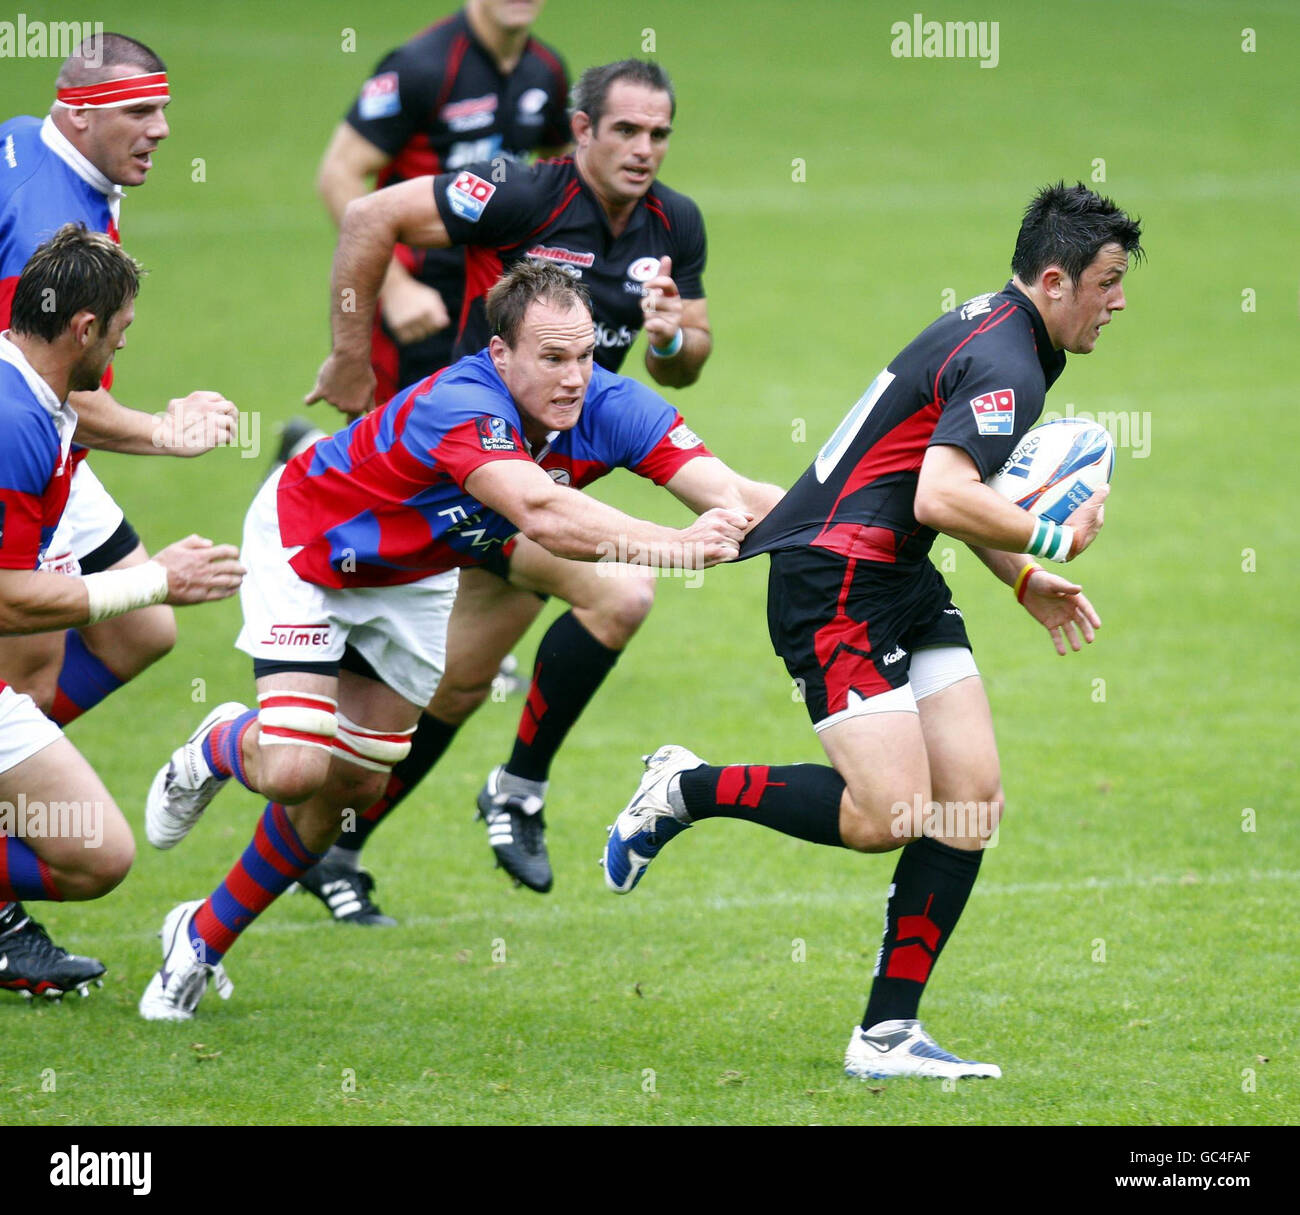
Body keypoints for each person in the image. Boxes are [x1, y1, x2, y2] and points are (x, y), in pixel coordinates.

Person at [602, 182, 1143, 1080]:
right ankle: (685, 787)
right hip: (835, 579)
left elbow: (949, 492)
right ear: (1056, 280)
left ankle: (886, 1033)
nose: (1118, 303)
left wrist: (1025, 579)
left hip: (896, 572)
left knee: (970, 798)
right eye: (1109, 283)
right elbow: (942, 494)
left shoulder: (1009, 334)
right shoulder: (1012, 363)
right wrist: (1054, 534)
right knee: (887, 813)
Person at [139, 260, 778, 1019]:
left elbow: (735, 493)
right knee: (294, 765)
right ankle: (223, 743)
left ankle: (200, 936)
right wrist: (675, 546)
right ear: (500, 356)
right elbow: (541, 514)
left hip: (413, 579)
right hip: (309, 544)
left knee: (356, 785)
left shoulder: (609, 401)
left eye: (583, 355)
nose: (575, 377)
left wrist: (858, 520)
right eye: (552, 358)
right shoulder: (461, 401)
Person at [293, 59, 716, 916]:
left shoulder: (677, 221)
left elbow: (690, 358)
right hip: (477, 467)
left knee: (452, 686)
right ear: (583, 129)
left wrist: (671, 340)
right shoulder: (521, 194)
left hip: (554, 468)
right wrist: (347, 349)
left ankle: (336, 849)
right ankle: (517, 788)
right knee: (621, 594)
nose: (644, 149)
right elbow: (373, 212)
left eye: (659, 133)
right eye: (625, 130)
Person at [0, 33, 239, 983]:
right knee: (27, 646)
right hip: (32, 436)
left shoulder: (28, 139)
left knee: (143, 634)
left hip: (43, 429)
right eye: (141, 112)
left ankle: (20, 768)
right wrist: (163, 431)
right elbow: (58, 370)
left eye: (163, 108)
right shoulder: (53, 228)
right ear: (79, 113)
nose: (163, 130)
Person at [316, 0, 569, 406]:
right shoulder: (420, 67)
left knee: (488, 446)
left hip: (500, 302)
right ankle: (298, 453)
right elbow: (338, 174)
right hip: (419, 304)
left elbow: (564, 171)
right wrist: (397, 289)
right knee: (385, 451)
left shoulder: (547, 71)